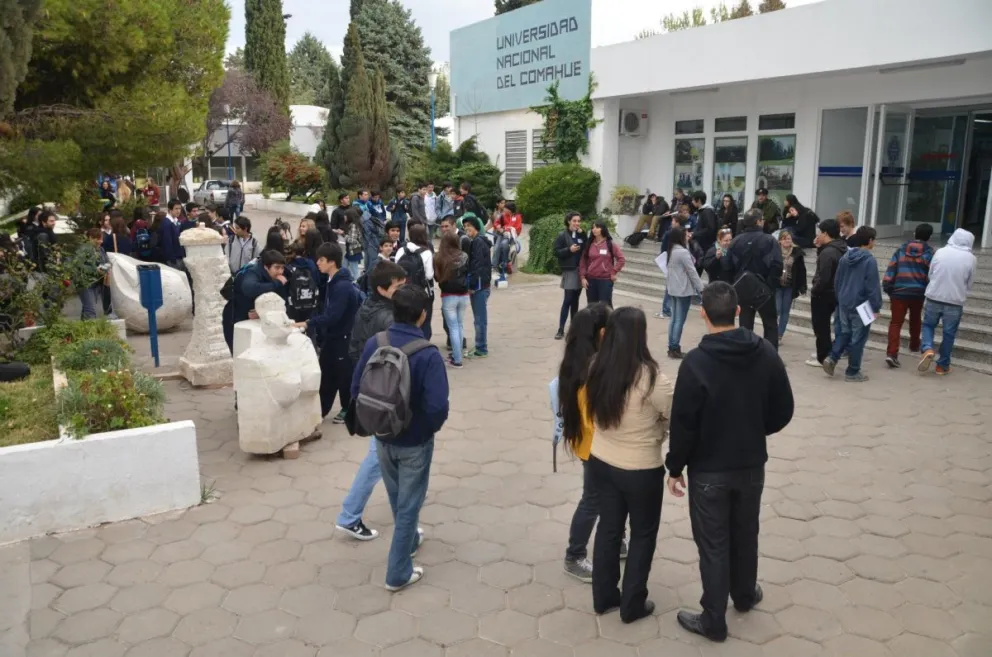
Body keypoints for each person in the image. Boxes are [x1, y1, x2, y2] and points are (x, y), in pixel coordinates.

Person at [665, 281, 794, 643]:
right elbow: (783, 408)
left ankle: (714, 618)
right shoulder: (765, 351)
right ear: (737, 312)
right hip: (750, 463)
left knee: (714, 542)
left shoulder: (696, 362)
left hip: (709, 469)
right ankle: (743, 594)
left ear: (703, 314)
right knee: (745, 530)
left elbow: (683, 423)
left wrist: (674, 468)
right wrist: (753, 429)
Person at [351, 284, 449, 591]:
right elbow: (437, 407)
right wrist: (423, 430)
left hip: (382, 435)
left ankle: (411, 539)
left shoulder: (375, 343)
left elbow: (357, 388)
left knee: (397, 495)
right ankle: (398, 572)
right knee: (409, 504)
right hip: (414, 442)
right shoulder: (428, 353)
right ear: (422, 316)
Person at [586, 307, 674, 624]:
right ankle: (632, 603)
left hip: (602, 460)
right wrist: (659, 430)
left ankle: (605, 596)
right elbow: (671, 415)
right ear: (641, 336)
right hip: (640, 468)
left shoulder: (597, 367)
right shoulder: (652, 379)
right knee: (642, 534)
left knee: (609, 528)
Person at [334, 261, 409, 542]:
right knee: (379, 457)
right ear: (382, 289)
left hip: (371, 389)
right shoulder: (388, 319)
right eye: (398, 287)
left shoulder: (368, 306)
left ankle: (405, 513)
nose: (403, 291)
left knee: (387, 456)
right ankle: (351, 516)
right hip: (384, 394)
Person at [556, 304, 625, 583]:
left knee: (615, 495)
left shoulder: (580, 359)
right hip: (597, 447)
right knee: (593, 499)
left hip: (595, 444)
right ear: (602, 332)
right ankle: (574, 556)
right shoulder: (590, 371)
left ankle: (617, 540)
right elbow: (595, 418)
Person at [299, 242, 363, 422]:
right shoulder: (332, 281)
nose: (317, 263)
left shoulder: (342, 286)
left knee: (343, 374)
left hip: (342, 337)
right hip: (332, 337)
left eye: (321, 259)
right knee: (327, 373)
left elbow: (333, 316)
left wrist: (307, 323)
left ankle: (348, 409)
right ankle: (320, 409)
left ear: (332, 262)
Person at [823, 226, 880, 382]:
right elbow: (872, 286)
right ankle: (853, 371)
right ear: (870, 241)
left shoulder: (845, 257)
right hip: (862, 305)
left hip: (844, 302)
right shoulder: (869, 260)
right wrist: (876, 307)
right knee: (858, 338)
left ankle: (833, 357)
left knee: (844, 333)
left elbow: (837, 281)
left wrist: (840, 298)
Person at [919, 228, 977, 375]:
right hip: (955, 300)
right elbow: (970, 283)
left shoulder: (940, 252)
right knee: (949, 333)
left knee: (928, 325)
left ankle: (927, 348)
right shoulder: (971, 258)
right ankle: (942, 366)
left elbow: (931, 273)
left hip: (934, 296)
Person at [723, 209, 783, 348]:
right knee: (770, 324)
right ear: (758, 221)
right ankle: (770, 358)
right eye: (762, 219)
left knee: (745, 325)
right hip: (764, 290)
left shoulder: (735, 240)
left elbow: (727, 265)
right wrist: (769, 286)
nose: (763, 222)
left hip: (742, 288)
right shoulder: (769, 240)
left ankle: (746, 357)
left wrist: (735, 283)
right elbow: (777, 265)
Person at [882, 223, 934, 368]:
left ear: (914, 234)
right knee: (916, 319)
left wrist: (888, 288)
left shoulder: (900, 250)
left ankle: (892, 354)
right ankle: (914, 344)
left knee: (895, 323)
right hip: (918, 292)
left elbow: (891, 269)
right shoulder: (929, 253)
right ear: (929, 237)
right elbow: (932, 274)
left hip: (899, 292)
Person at [806, 218, 849, 367]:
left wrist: (814, 289)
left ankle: (823, 357)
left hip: (823, 294)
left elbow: (823, 277)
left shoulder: (828, 252)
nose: (817, 235)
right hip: (836, 292)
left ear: (825, 233)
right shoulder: (841, 247)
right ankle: (827, 352)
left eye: (820, 232)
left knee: (821, 326)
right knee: (828, 326)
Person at [228, 249, 289, 353]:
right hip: (239, 314)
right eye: (277, 267)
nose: (280, 271)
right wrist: (277, 283)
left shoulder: (276, 275)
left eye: (282, 268)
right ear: (266, 266)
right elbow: (249, 289)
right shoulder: (253, 272)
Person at [665, 226, 705, 359]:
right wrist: (701, 289)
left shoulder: (672, 250)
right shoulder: (682, 252)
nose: (687, 236)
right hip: (682, 289)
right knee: (679, 320)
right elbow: (692, 272)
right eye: (685, 234)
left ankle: (671, 346)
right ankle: (675, 347)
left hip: (674, 288)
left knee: (674, 319)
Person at [435, 233, 470, 368]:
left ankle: (457, 360)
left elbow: (437, 278)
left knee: (453, 327)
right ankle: (458, 353)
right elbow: (467, 271)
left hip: (448, 295)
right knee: (460, 325)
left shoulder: (439, 257)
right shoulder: (464, 256)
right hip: (463, 294)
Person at [395, 224, 435, 340]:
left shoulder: (401, 250)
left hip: (403, 290)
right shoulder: (426, 252)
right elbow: (429, 275)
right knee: (424, 320)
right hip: (421, 292)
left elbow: (396, 268)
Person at [554, 213, 586, 339]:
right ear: (568, 221)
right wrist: (569, 250)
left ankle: (573, 329)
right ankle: (561, 329)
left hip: (581, 271)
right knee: (567, 299)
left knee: (575, 300)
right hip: (570, 270)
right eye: (574, 221)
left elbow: (587, 248)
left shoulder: (581, 234)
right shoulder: (562, 235)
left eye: (579, 221)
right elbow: (556, 252)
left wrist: (583, 234)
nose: (577, 223)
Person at [463, 216, 492, 358]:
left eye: (469, 225)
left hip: (479, 286)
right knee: (479, 318)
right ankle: (480, 344)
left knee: (480, 319)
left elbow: (478, 266)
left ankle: (481, 348)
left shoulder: (478, 243)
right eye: (465, 226)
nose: (466, 228)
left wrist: (473, 285)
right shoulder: (477, 241)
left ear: (476, 227)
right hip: (482, 284)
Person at [580, 222, 625, 307]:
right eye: (593, 227)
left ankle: (610, 320)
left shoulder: (610, 244)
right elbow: (583, 261)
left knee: (606, 306)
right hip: (591, 280)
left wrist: (613, 272)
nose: (594, 229)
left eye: (597, 227)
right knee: (592, 306)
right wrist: (582, 277)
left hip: (605, 280)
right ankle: (594, 321)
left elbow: (621, 259)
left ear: (603, 229)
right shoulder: (589, 244)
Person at [775, 230, 807, 340]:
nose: (787, 241)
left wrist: (803, 286)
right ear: (780, 240)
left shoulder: (796, 252)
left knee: (785, 311)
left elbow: (802, 270)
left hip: (789, 286)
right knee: (777, 309)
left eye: (789, 238)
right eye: (784, 238)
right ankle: (773, 331)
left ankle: (779, 335)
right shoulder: (775, 251)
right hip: (777, 286)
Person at [74, 228, 110, 319]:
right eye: (98, 239)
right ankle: (91, 331)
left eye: (101, 239)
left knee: (87, 308)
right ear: (90, 238)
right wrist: (95, 270)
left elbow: (106, 261)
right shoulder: (83, 249)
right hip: (85, 283)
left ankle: (83, 330)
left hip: (96, 283)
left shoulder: (101, 249)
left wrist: (106, 267)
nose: (100, 241)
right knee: (90, 311)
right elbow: (79, 265)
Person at [161, 199, 185, 269]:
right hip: (173, 259)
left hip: (178, 256)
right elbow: (167, 243)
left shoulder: (176, 221)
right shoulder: (167, 223)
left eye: (180, 208)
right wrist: (172, 259)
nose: (178, 211)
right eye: (176, 208)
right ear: (170, 210)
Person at [343, 206, 364, 279]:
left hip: (353, 250)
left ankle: (357, 282)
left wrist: (344, 235)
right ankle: (344, 278)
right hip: (353, 249)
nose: (344, 218)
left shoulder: (353, 226)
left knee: (354, 269)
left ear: (349, 217)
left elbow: (353, 240)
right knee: (344, 265)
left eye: (345, 216)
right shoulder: (354, 224)